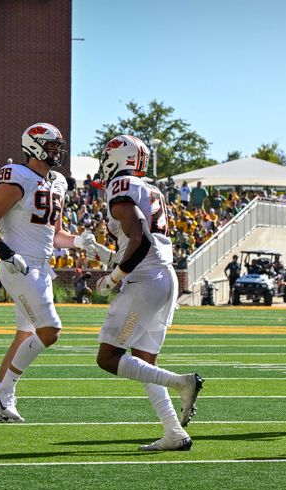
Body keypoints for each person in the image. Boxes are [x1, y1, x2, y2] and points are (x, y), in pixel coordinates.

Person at [0, 122, 108, 422]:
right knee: (51, 331)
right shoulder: (18, 177)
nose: (56, 151)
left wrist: (79, 241)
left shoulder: (59, 182)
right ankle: (2, 395)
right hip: (18, 265)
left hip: (41, 267)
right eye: (51, 146)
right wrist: (5, 252)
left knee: (25, 334)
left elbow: (56, 234)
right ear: (34, 146)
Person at [95, 134, 203, 451]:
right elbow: (142, 243)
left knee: (108, 357)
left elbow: (140, 240)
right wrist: (106, 256)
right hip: (164, 278)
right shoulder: (149, 188)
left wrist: (114, 277)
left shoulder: (122, 186)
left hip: (144, 282)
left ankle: (182, 382)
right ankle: (174, 432)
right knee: (145, 362)